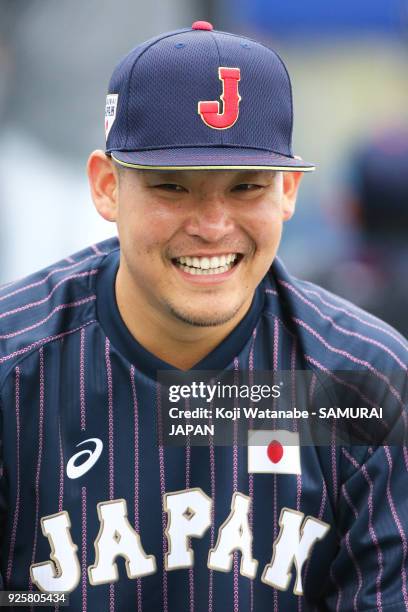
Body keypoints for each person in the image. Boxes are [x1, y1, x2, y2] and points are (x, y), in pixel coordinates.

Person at [0, 21, 407, 611]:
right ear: (107, 186)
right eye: (173, 186)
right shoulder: (14, 366)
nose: (213, 225)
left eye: (246, 187)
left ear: (288, 190)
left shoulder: (364, 379)